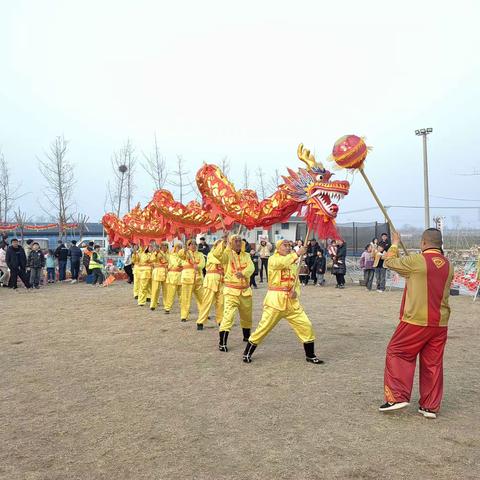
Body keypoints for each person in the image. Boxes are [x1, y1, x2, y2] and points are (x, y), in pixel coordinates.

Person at [379, 229, 454, 419]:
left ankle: (397, 396)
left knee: (397, 352)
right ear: (440, 244)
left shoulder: (417, 261)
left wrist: (395, 243)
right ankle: (430, 406)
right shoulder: (448, 265)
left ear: (423, 243)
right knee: (433, 363)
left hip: (416, 320)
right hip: (440, 323)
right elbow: (420, 277)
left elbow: (388, 262)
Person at [243, 240, 323, 364]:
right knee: (263, 327)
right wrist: (297, 254)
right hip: (275, 300)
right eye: (285, 245)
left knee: (306, 325)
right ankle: (247, 352)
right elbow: (281, 263)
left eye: (289, 246)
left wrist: (296, 292)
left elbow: (295, 282)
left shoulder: (292, 263)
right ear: (278, 247)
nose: (288, 247)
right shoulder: (273, 259)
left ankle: (310, 355)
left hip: (291, 302)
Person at [213, 234, 254, 352]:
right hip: (231, 291)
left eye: (239, 240)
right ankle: (222, 342)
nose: (238, 242)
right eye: (235, 240)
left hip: (245, 291)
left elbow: (251, 268)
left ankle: (246, 336)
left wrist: (244, 273)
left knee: (247, 316)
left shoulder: (246, 256)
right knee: (228, 316)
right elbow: (216, 254)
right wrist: (224, 241)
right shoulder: (227, 255)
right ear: (231, 243)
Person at [196, 239, 224, 329]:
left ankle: (221, 321)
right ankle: (200, 321)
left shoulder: (226, 255)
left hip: (222, 280)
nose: (222, 248)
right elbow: (219, 260)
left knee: (221, 303)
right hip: (211, 280)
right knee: (207, 302)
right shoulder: (211, 254)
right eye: (220, 246)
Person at [179, 239, 205, 322]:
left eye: (195, 244)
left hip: (198, 279)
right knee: (186, 298)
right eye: (191, 244)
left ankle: (203, 314)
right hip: (187, 278)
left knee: (202, 298)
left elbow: (203, 263)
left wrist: (199, 266)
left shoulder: (200, 254)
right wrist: (184, 249)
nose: (193, 246)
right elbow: (180, 255)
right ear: (188, 246)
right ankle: (184, 316)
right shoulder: (186, 253)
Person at [150, 242, 169, 311]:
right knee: (155, 290)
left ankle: (167, 305)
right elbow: (152, 259)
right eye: (163, 246)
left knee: (166, 290)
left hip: (166, 273)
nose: (164, 247)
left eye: (166, 246)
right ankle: (153, 304)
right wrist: (156, 253)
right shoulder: (156, 252)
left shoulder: (169, 254)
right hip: (157, 272)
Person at [164, 243, 183, 314]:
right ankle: (167, 308)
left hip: (181, 276)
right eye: (178, 247)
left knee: (182, 294)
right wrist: (182, 262)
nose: (179, 249)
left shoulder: (184, 256)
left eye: (180, 247)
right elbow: (176, 264)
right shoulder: (171, 256)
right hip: (173, 276)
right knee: (171, 293)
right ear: (175, 248)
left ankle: (184, 308)